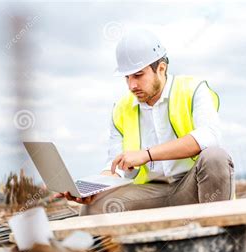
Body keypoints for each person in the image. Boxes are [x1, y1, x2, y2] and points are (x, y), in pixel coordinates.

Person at [57, 29, 234, 215]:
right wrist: (90, 189)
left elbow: (210, 136)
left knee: (215, 157)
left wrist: (147, 154)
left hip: (193, 187)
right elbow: (116, 168)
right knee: (91, 208)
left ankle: (219, 239)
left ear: (161, 69)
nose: (132, 85)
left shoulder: (193, 89)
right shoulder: (121, 108)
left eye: (138, 75)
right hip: (152, 192)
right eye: (127, 77)